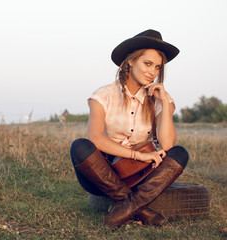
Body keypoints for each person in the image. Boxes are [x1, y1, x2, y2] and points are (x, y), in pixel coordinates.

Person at [70, 29, 189, 228]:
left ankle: (125, 209)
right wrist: (137, 155)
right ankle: (143, 211)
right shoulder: (103, 95)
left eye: (158, 67)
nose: (152, 72)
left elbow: (167, 144)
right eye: (147, 63)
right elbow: (96, 138)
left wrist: (165, 104)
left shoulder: (159, 98)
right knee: (80, 146)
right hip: (104, 175)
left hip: (141, 176)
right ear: (131, 61)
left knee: (180, 153)